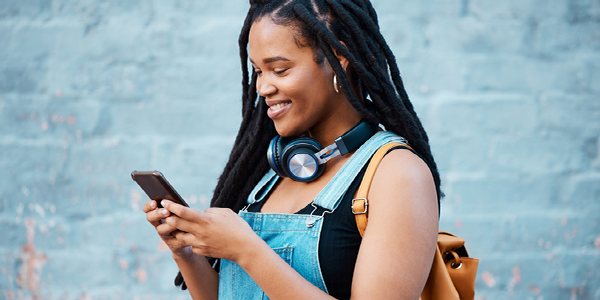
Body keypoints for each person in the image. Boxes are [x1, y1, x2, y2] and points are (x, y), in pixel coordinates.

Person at [143, 0, 441, 299]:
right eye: (258, 71)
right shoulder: (273, 172)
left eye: (279, 69)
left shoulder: (399, 174)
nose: (263, 87)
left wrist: (248, 251)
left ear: (338, 56)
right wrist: (186, 253)